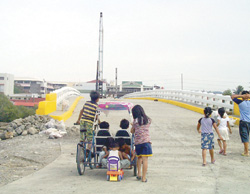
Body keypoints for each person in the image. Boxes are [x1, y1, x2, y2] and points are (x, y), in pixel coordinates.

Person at [131, 105, 152, 183]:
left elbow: (132, 131)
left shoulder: (135, 121)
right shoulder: (148, 120)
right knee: (145, 160)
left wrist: (132, 126)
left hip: (138, 143)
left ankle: (139, 174)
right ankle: (144, 178)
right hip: (146, 142)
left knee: (139, 157)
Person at [231, 91, 250, 156]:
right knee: (247, 136)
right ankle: (245, 150)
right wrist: (248, 96)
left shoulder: (241, 102)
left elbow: (232, 97)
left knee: (245, 137)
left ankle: (246, 152)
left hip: (243, 121)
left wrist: (242, 96)